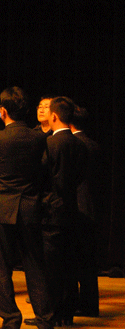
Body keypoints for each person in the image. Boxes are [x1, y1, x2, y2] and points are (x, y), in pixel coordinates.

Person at [0, 86, 56, 329]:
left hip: (0, 210)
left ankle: (10, 322)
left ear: (3, 112)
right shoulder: (37, 138)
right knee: (35, 265)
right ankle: (45, 322)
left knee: (0, 267)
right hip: (29, 209)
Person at [36, 97, 87, 327]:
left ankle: (51, 314)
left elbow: (42, 176)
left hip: (51, 211)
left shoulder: (50, 143)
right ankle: (67, 313)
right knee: (69, 265)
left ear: (54, 116)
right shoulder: (80, 144)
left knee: (51, 267)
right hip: (71, 210)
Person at [70, 106, 100, 317]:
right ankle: (90, 305)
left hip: (76, 207)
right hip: (91, 206)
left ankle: (73, 304)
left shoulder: (73, 145)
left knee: (73, 259)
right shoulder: (93, 144)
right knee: (88, 261)